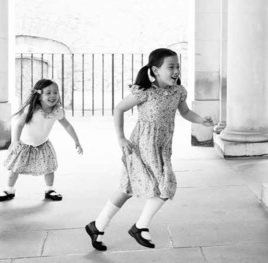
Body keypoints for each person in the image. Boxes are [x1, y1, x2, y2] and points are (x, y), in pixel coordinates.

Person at [85, 49, 213, 251]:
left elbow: (186, 112)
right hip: (141, 145)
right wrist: (120, 138)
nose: (176, 71)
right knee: (164, 185)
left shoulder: (178, 92)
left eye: (177, 66)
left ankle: (97, 225)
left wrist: (201, 120)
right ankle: (140, 226)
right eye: (171, 67)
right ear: (156, 70)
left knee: (128, 187)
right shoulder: (144, 92)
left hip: (162, 147)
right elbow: (119, 108)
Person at [0, 78, 83, 202]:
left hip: (43, 144)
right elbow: (19, 124)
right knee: (15, 168)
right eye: (48, 93)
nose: (53, 95)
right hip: (24, 144)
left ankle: (50, 189)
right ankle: (8, 190)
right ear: (39, 95)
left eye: (55, 92)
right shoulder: (31, 108)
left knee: (49, 168)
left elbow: (67, 125)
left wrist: (76, 140)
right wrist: (15, 141)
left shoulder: (58, 111)